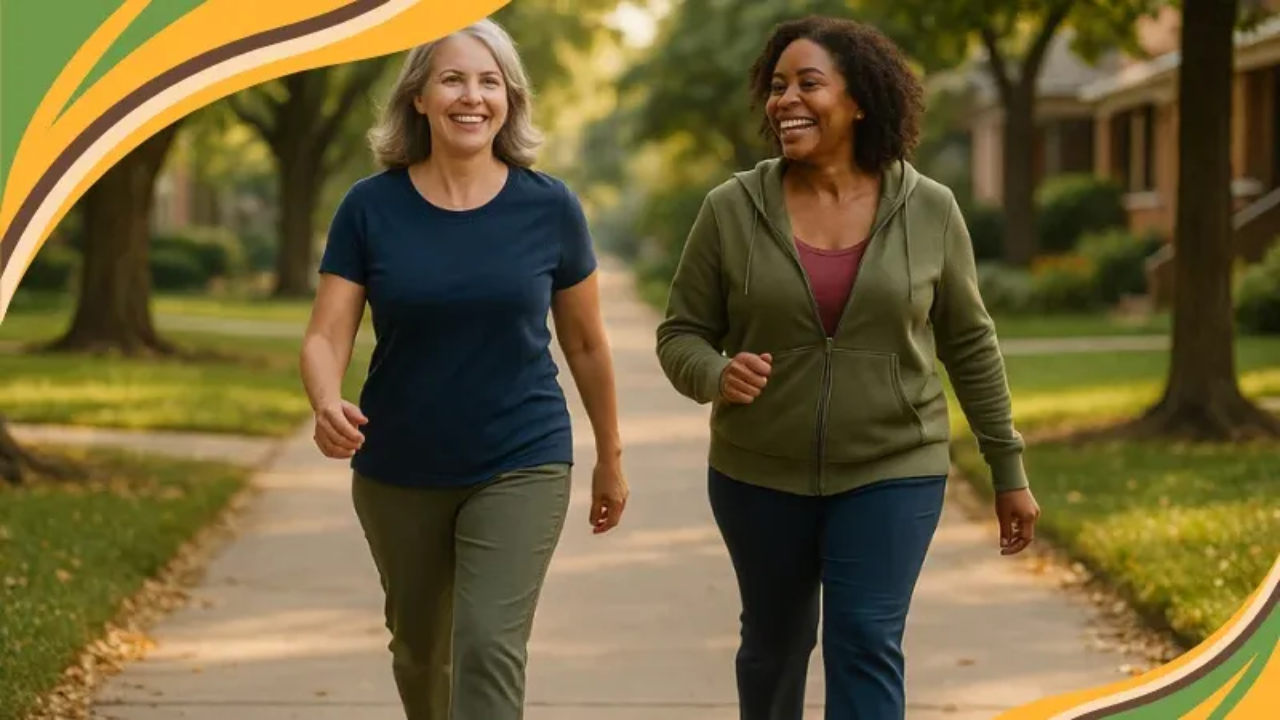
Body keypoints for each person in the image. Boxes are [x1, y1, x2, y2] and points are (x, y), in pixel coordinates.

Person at [655, 15, 1041, 720]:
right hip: (758, 468)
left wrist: (1006, 469)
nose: (786, 101)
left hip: (894, 462)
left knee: (864, 640)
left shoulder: (930, 209)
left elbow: (970, 344)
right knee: (774, 644)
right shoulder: (731, 209)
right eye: (777, 87)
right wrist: (715, 373)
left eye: (808, 83)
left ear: (859, 99)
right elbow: (681, 333)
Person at [299, 18, 628, 720]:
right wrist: (325, 399)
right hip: (398, 466)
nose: (472, 96)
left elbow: (588, 346)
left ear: (509, 99)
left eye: (489, 81)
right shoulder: (370, 207)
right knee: (422, 654)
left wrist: (610, 455)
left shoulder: (550, 206)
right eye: (452, 78)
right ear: (418, 96)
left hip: (522, 456)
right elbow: (327, 334)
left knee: (487, 647)